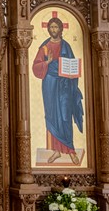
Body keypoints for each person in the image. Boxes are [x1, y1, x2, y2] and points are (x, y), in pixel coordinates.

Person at [31, 12, 85, 164]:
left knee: (65, 115)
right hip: (49, 84)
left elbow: (72, 65)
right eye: (51, 27)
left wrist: (73, 71)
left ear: (61, 29)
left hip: (65, 85)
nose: (54, 30)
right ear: (48, 29)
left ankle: (70, 150)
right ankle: (56, 151)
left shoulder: (66, 46)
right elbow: (35, 67)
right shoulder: (44, 47)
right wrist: (47, 63)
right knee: (52, 116)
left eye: (56, 27)